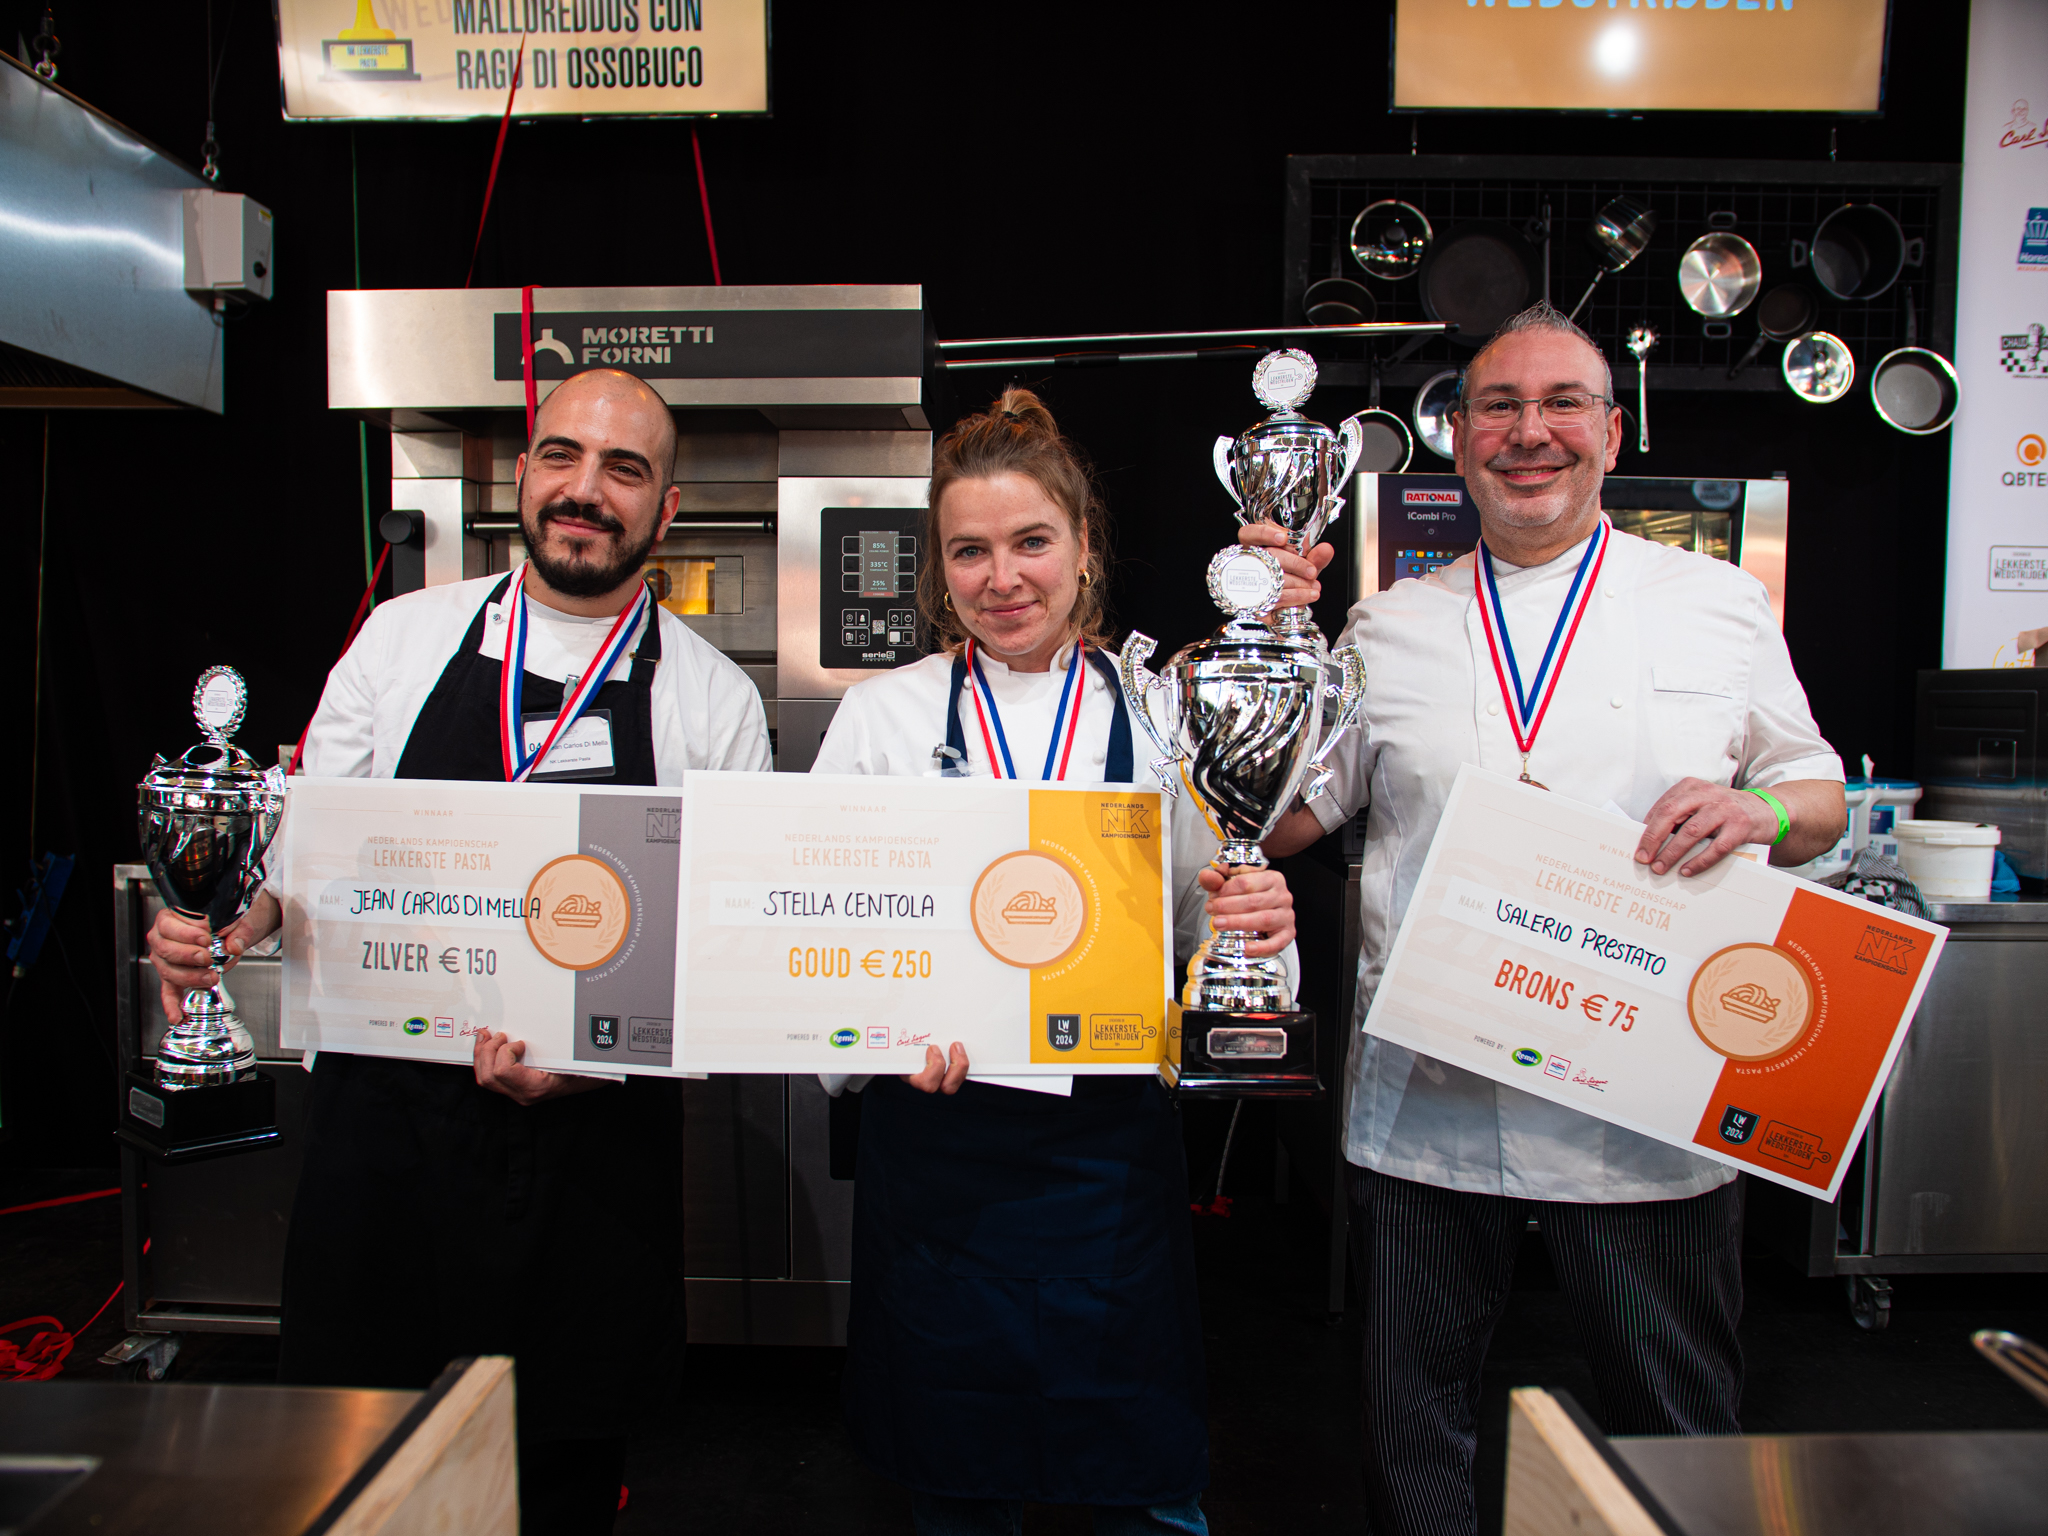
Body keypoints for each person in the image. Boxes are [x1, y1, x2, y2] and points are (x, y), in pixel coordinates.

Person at [1248, 303, 1847, 1536]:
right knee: (1411, 1425)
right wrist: (1265, 650)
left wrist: (1760, 820)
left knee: (1670, 1419)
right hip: (1430, 1102)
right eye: (1499, 409)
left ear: (1610, 432)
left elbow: (1816, 792)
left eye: (1561, 403)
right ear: (1456, 440)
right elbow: (1290, 820)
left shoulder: (1715, 603)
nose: (1531, 433)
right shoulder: (1383, 626)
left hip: (1642, 1101)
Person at [145, 368, 771, 1535]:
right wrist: (223, 921)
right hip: (388, 1139)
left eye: (624, 470)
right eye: (563, 457)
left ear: (665, 510)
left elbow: (724, 949)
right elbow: (299, 845)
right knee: (367, 1473)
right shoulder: (401, 639)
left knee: (561, 1486)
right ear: (524, 475)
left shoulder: (711, 700)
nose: (586, 491)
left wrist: (596, 1063)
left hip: (592, 1146)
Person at [813, 388, 1299, 1536]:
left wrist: (1252, 916)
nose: (1003, 577)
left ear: (1084, 549)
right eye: (970, 551)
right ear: (940, 567)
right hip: (939, 1148)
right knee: (954, 1477)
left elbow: (1198, 919)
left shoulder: (1162, 708)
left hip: (1107, 1154)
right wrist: (878, 1038)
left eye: (1032, 542)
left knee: (1136, 1479)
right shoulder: (881, 718)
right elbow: (825, 941)